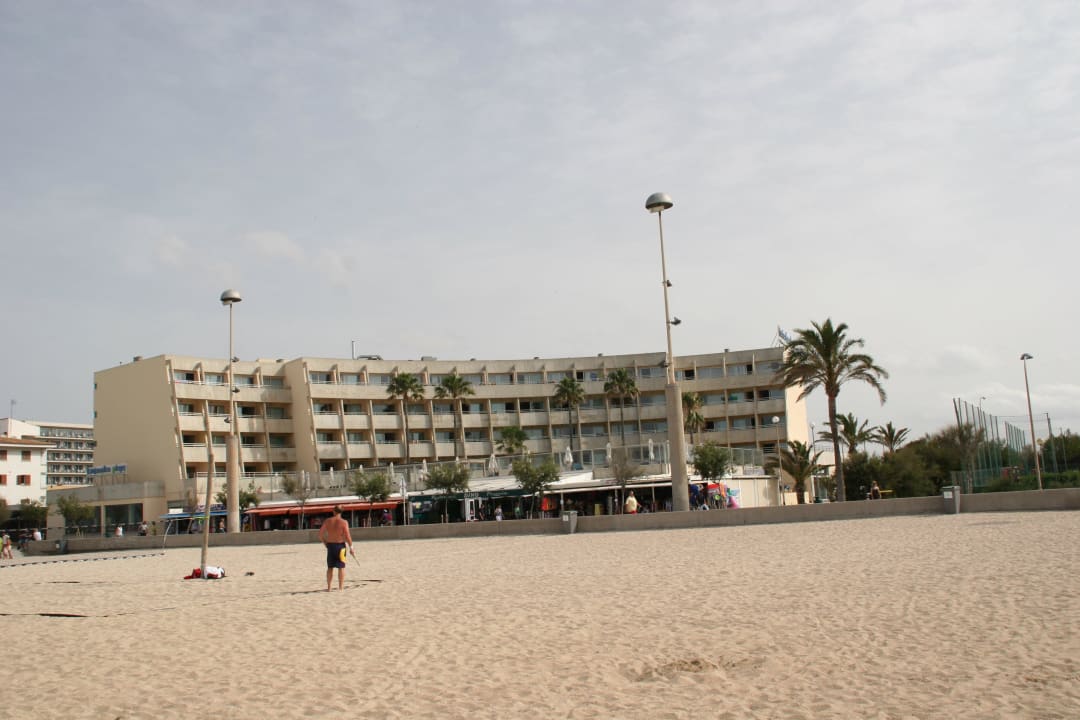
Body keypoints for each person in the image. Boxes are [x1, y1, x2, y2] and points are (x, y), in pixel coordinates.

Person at [318, 505, 355, 592]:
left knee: (330, 567)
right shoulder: (344, 522)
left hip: (330, 546)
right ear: (341, 512)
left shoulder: (328, 521)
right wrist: (351, 547)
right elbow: (347, 535)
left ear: (334, 511)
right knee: (341, 567)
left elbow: (320, 534)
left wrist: (325, 543)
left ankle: (329, 587)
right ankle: (341, 587)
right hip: (340, 546)